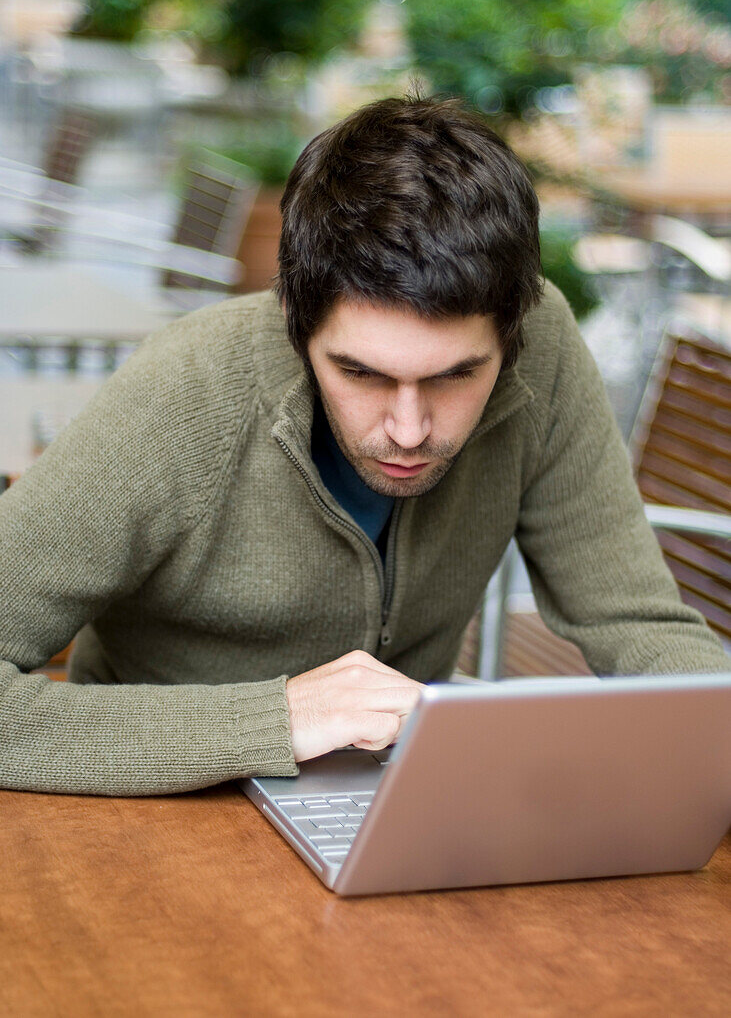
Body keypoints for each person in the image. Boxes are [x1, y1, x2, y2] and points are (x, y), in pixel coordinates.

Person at [0, 93, 727, 797]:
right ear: (294, 315)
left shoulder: (544, 348)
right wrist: (273, 722)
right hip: (162, 808)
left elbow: (634, 622)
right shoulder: (180, 393)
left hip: (398, 801)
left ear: (512, 328)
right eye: (359, 372)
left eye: (456, 375)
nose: (409, 431)